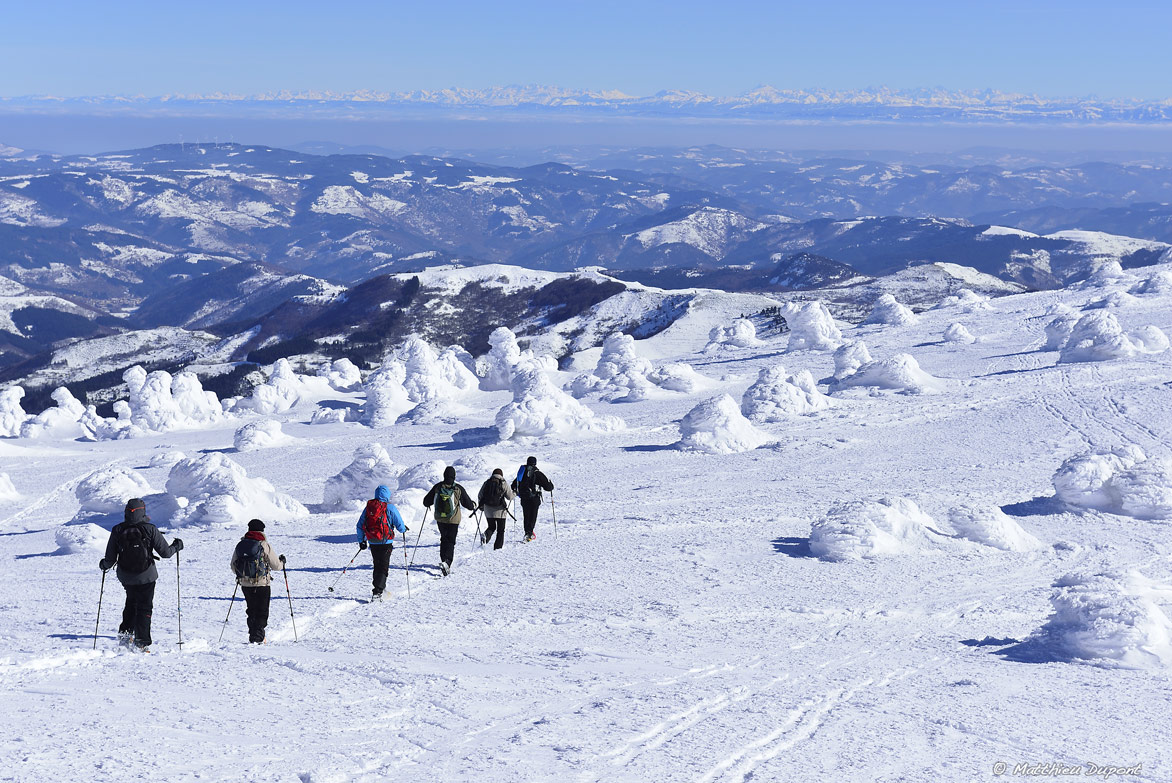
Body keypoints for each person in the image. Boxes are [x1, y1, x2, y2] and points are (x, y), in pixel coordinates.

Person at [98, 498, 183, 652]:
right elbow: (165, 553)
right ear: (143, 511)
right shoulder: (150, 529)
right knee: (144, 607)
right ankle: (141, 642)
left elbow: (110, 559)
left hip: (125, 576)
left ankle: (125, 634)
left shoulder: (117, 529)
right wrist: (177, 546)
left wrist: (103, 565)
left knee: (131, 602)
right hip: (147, 575)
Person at [229, 519, 285, 643]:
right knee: (262, 610)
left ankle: (254, 635)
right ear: (262, 530)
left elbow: (233, 566)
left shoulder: (241, 544)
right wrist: (282, 562)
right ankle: (258, 637)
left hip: (244, 584)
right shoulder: (263, 545)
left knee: (251, 610)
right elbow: (276, 566)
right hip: (262, 583)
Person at [422, 466, 476, 576]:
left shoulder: (438, 487)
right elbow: (467, 504)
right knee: (451, 540)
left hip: (440, 519)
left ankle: (443, 560)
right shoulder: (457, 488)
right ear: (454, 476)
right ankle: (447, 562)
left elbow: (426, 501)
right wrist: (473, 505)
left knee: (444, 539)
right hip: (453, 519)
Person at [357, 484, 407, 600]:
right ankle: (378, 591)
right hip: (386, 541)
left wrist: (361, 541)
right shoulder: (390, 508)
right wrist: (403, 529)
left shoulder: (369, 508)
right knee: (383, 566)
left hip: (373, 541)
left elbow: (359, 525)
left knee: (377, 565)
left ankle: (380, 588)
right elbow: (399, 524)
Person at [511, 456, 554, 542]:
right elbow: (548, 487)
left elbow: (513, 485)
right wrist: (551, 484)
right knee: (533, 515)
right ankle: (529, 533)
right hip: (535, 498)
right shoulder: (537, 473)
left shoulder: (522, 473)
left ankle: (527, 532)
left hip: (524, 498)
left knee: (526, 515)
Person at [477, 468, 514, 550]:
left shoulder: (487, 482)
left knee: (491, 527)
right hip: (500, 510)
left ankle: (486, 536)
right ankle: (498, 548)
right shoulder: (503, 482)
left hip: (488, 510)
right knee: (500, 530)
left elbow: (480, 495)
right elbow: (510, 497)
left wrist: (482, 507)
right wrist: (515, 493)